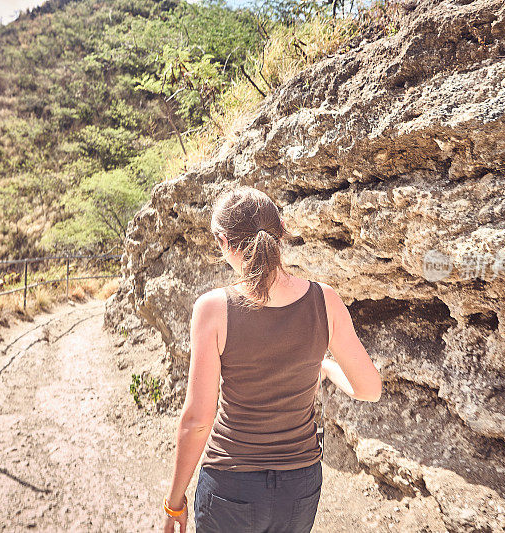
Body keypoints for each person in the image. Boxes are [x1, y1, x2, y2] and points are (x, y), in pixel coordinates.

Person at [162, 186, 383, 533]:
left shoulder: (214, 308)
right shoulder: (325, 300)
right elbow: (369, 389)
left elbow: (197, 420)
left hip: (230, 486)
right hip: (299, 488)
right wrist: (322, 365)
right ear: (281, 228)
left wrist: (174, 502)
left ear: (223, 242)